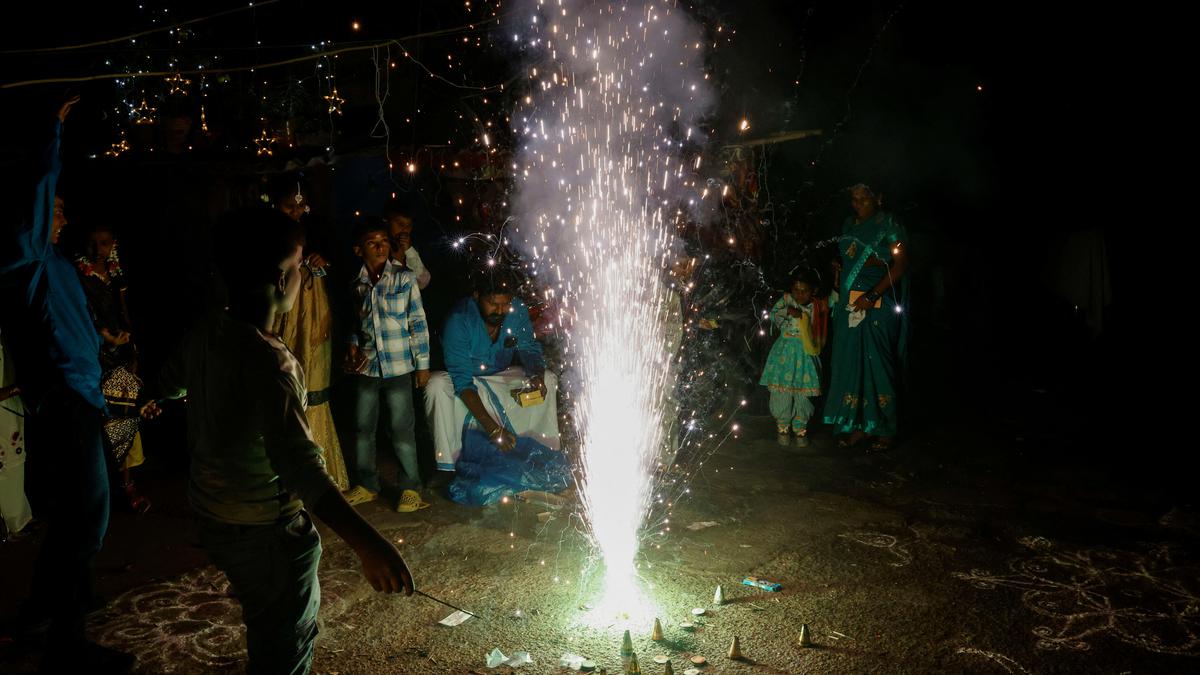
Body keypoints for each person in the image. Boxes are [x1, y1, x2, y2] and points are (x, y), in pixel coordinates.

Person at [139, 207, 414, 674]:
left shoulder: (208, 332)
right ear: (278, 276)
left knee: (265, 621)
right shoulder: (270, 362)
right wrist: (370, 544)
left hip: (215, 517)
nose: (305, 274)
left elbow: (169, 382)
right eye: (300, 265)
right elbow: (302, 468)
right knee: (285, 641)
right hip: (266, 529)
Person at [0, 96, 135, 671]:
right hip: (63, 400)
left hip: (83, 396)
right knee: (85, 519)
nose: (60, 215)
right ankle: (66, 642)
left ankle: (40, 612)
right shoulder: (24, 259)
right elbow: (37, 187)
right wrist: (52, 129)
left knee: (81, 518)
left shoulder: (56, 263)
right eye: (51, 209)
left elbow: (80, 328)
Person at [424, 270, 560, 471]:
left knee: (548, 378)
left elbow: (529, 349)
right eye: (493, 304)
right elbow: (462, 382)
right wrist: (493, 429)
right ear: (477, 296)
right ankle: (449, 462)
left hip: (499, 377)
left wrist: (537, 376)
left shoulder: (516, 310)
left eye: (505, 304)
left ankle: (539, 449)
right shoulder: (459, 320)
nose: (500, 310)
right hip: (467, 382)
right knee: (435, 385)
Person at [341, 221, 432, 512]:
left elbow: (418, 322)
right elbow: (358, 322)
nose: (380, 247)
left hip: (399, 365)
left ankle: (410, 488)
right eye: (372, 243)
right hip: (367, 367)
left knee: (401, 429)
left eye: (384, 241)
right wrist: (353, 342)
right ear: (359, 250)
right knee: (362, 427)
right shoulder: (357, 284)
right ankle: (368, 484)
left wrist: (422, 365)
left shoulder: (404, 279)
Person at [268, 178, 350, 491]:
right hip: (282, 314)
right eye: (289, 207)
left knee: (312, 383)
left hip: (314, 314)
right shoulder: (268, 234)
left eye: (300, 206)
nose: (296, 212)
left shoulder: (318, 229)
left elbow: (340, 265)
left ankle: (321, 474)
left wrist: (322, 262)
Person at [823, 183, 910, 451]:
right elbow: (849, 257)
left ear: (878, 198)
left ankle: (884, 427)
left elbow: (900, 265)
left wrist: (871, 296)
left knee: (878, 364)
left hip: (877, 304)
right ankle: (856, 426)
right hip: (850, 305)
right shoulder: (849, 224)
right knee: (850, 362)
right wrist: (838, 266)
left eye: (863, 199)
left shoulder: (888, 223)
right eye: (854, 199)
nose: (857, 204)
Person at [76, 223, 150, 512]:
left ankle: (125, 484)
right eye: (92, 242)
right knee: (101, 424)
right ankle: (100, 490)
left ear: (113, 244)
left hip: (121, 353)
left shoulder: (115, 273)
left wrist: (131, 349)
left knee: (125, 419)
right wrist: (103, 338)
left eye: (104, 242)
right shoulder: (78, 277)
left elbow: (125, 312)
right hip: (94, 356)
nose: (98, 249)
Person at [760, 276, 827, 447]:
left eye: (804, 290)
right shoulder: (785, 301)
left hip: (806, 354)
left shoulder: (818, 306)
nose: (800, 293)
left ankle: (800, 427)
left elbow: (820, 325)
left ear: (813, 291)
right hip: (784, 354)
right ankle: (783, 425)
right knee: (782, 391)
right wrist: (788, 311)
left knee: (803, 393)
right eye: (796, 289)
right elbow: (774, 317)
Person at [0, 330, 32, 540]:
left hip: (10, 412)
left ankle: (18, 520)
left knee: (14, 465)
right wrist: (16, 389)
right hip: (5, 409)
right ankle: (8, 526)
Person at [384, 198, 431, 290]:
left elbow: (423, 281)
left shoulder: (410, 248)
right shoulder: (379, 248)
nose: (405, 230)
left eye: (409, 225)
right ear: (386, 222)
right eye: (400, 224)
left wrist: (409, 251)